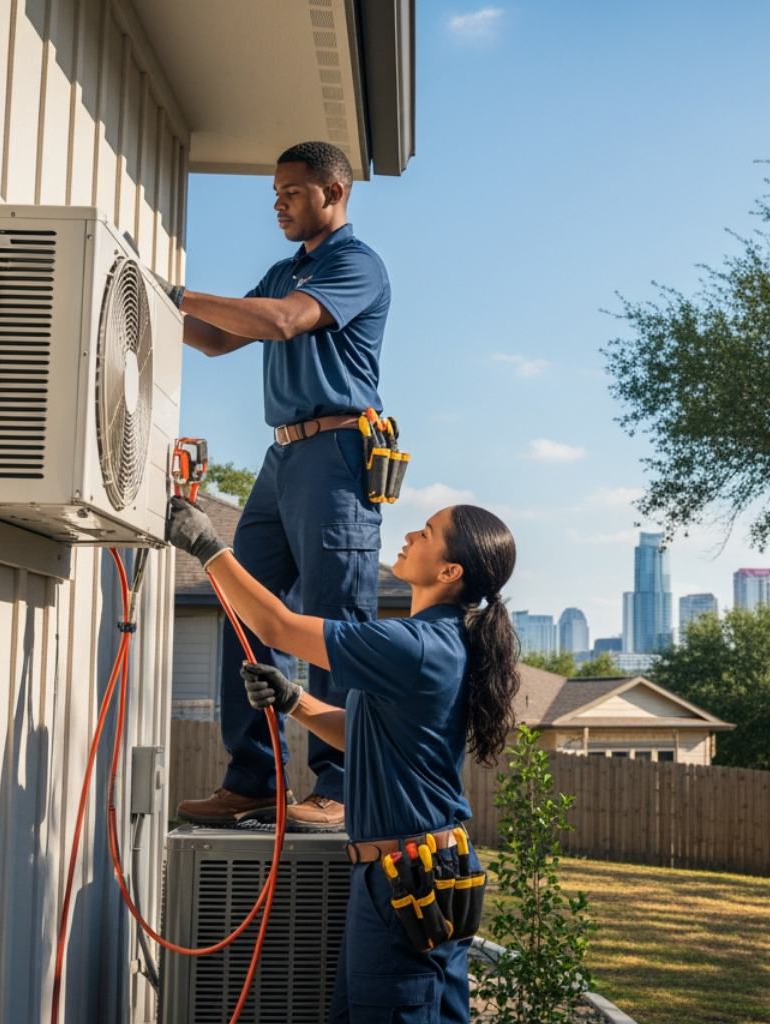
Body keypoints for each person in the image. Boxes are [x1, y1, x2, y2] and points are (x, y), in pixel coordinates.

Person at [167, 496, 520, 1023]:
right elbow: (368, 733)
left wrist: (207, 546)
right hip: (400, 870)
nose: (409, 537)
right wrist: (295, 701)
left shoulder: (415, 645)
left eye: (425, 533)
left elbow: (278, 627)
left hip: (407, 875)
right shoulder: (435, 643)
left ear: (449, 571)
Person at [170, 140, 392, 829]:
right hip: (283, 460)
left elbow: (285, 321)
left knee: (334, 623)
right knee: (243, 606)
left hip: (338, 452)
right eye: (274, 194)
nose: (278, 205)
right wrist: (145, 294)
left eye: (291, 193)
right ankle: (254, 779)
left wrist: (177, 289)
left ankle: (341, 784)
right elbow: (213, 337)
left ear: (335, 192)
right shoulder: (282, 271)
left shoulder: (355, 265)